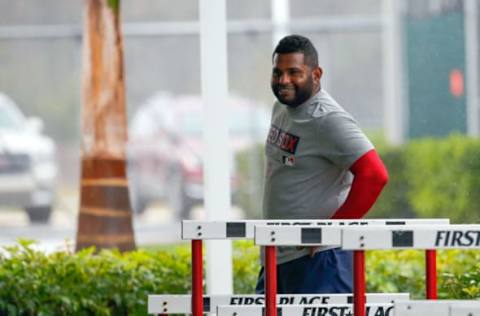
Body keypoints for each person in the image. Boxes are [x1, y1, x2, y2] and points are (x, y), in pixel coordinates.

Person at [255, 34, 389, 294]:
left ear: (316, 74)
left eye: (294, 72)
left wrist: (332, 229)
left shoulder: (328, 119)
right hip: (278, 256)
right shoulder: (281, 108)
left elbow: (374, 175)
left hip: (321, 261)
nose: (283, 81)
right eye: (277, 72)